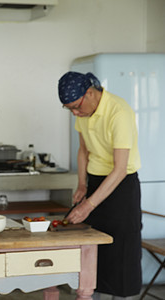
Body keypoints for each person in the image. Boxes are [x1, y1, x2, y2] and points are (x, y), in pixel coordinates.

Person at [58, 71, 142, 300]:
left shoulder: (119, 111)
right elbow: (83, 150)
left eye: (76, 107)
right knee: (93, 248)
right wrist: (82, 185)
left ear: (90, 93)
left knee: (120, 253)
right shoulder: (83, 113)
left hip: (121, 186)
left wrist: (88, 206)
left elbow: (120, 168)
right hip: (96, 183)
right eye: (69, 109)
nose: (75, 113)